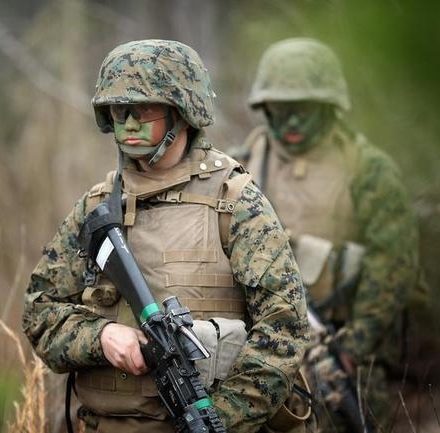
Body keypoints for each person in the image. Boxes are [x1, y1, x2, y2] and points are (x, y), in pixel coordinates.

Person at [22, 39, 310, 433]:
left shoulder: (234, 200)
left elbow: (284, 328)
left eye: (142, 110)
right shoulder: (97, 208)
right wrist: (100, 336)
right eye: (118, 111)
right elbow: (40, 311)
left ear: (183, 112)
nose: (128, 124)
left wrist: (219, 418)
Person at [240, 37, 420, 431]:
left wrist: (354, 347)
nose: (290, 124)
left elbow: (393, 266)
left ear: (330, 108)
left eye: (303, 112)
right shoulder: (242, 168)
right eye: (279, 111)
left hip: (346, 348)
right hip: (264, 347)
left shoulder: (368, 169)